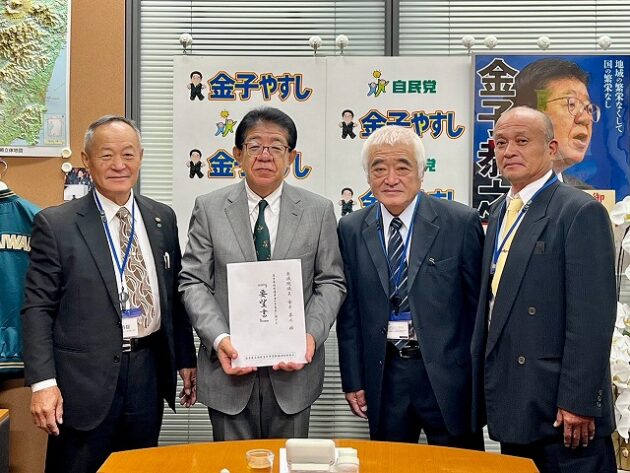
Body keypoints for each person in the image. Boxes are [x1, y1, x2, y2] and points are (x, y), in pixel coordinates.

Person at [21, 115, 197, 473]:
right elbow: (37, 308)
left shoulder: (162, 218)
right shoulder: (57, 224)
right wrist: (43, 383)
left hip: (147, 372)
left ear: (141, 157)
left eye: (128, 154)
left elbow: (173, 296)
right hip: (82, 380)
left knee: (139, 466)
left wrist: (185, 358)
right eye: (106, 155)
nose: (119, 165)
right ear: (86, 160)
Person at [179, 106, 346, 440]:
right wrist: (220, 338)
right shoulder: (209, 208)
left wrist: (310, 337)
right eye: (255, 146)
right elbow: (194, 281)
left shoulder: (318, 210)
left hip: (294, 376)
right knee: (231, 463)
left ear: (291, 157)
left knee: (288, 462)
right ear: (238, 154)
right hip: (228, 371)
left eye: (276, 147)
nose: (265, 155)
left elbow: (331, 282)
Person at [471, 106, 616, 473]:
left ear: (552, 148)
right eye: (500, 143)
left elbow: (592, 319)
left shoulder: (578, 211)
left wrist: (579, 401)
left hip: (562, 408)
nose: (509, 151)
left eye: (522, 141)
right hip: (514, 399)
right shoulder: (501, 210)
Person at [337, 125, 484, 447]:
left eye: (402, 167)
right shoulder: (350, 228)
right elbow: (349, 315)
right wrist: (353, 379)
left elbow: (478, 311)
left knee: (458, 465)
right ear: (368, 176)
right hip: (385, 375)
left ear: (421, 172)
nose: (391, 179)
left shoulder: (460, 223)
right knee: (390, 463)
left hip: (449, 376)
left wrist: (478, 380)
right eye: (379, 169)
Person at [514, 58, 600, 184]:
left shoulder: (585, 193)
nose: (586, 119)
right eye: (571, 104)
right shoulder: (490, 184)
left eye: (588, 108)